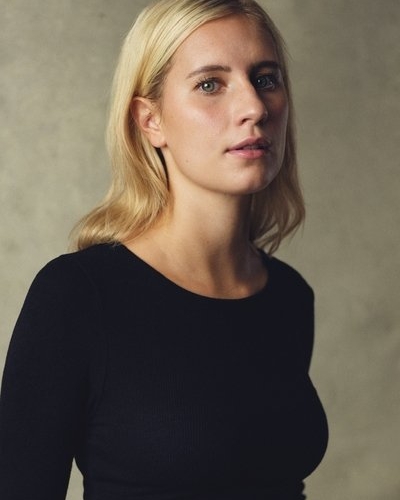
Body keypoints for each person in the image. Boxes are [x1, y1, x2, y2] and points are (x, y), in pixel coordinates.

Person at [0, 0, 328, 498]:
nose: (255, 108)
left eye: (265, 79)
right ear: (150, 120)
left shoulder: (287, 295)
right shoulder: (78, 296)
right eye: (210, 84)